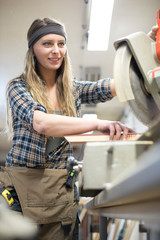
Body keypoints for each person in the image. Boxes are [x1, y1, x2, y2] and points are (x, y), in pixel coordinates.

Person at [0, 17, 158, 240]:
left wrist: (147, 52)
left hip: (58, 193)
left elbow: (122, 82)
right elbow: (42, 123)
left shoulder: (73, 89)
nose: (56, 50)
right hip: (23, 191)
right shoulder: (17, 87)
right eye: (47, 43)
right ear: (32, 49)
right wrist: (97, 124)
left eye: (61, 43)